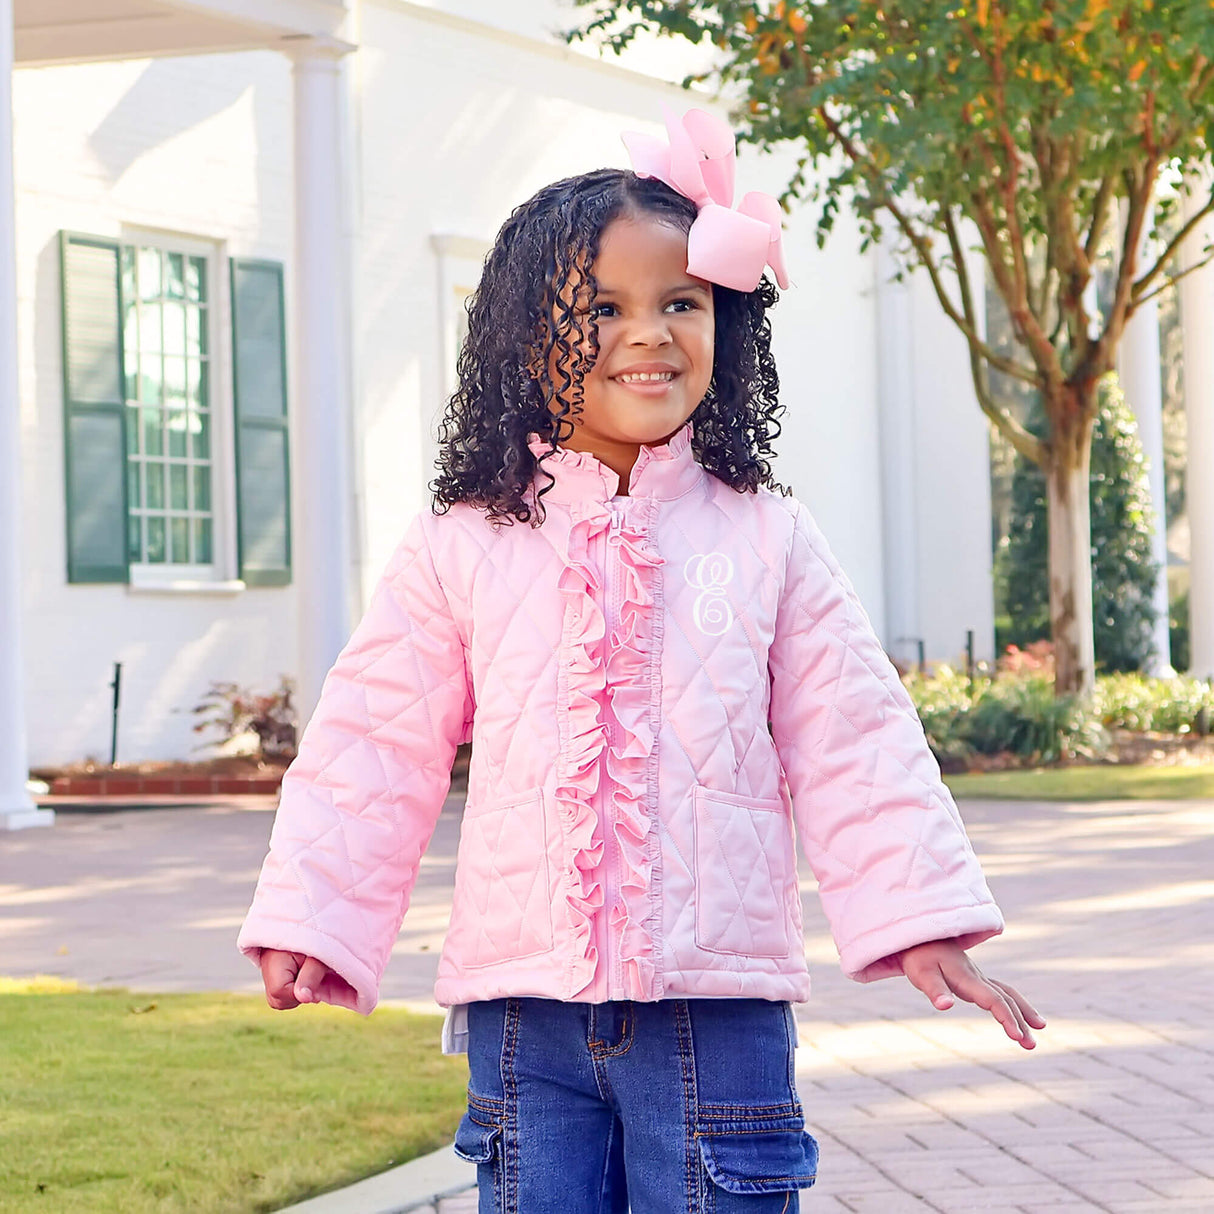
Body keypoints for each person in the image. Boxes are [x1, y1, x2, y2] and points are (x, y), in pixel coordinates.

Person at [237, 109, 1045, 1214]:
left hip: (717, 1013)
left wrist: (924, 917)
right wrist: (313, 918)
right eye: (603, 308)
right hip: (525, 1016)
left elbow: (855, 737)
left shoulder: (767, 537)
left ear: (727, 321)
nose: (648, 333)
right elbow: (371, 743)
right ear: (528, 339)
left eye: (681, 302)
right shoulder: (462, 544)